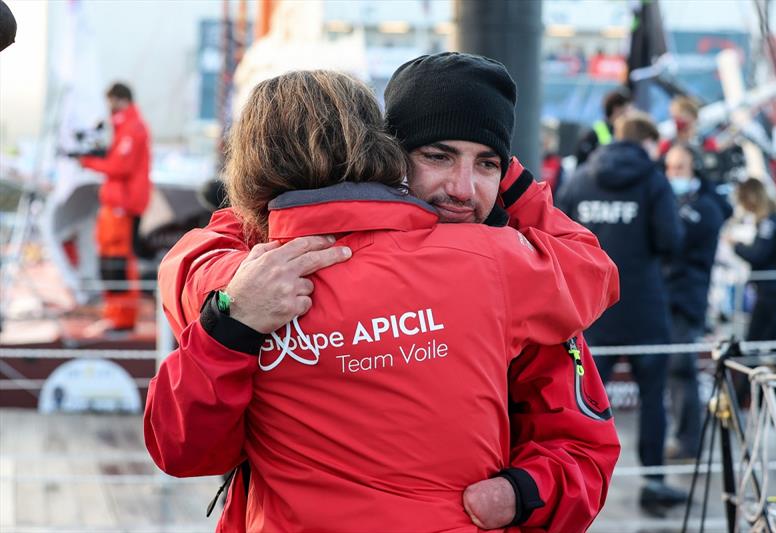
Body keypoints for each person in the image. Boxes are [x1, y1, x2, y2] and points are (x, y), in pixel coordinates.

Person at [149, 57, 620, 532]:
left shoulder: (234, 281)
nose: (462, 188)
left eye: (488, 164)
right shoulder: (511, 268)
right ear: (388, 155)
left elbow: (583, 449)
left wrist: (522, 493)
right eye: (437, 156)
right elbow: (593, 269)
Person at [557, 111, 687, 516]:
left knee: (579, 403)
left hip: (592, 311)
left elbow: (556, 235)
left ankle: (570, 483)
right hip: (645, 308)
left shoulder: (580, 178)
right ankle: (653, 482)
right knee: (652, 400)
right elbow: (671, 239)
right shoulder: (653, 181)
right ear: (647, 143)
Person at [663, 144, 729, 461]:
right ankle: (682, 436)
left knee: (681, 368)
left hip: (686, 298)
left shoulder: (706, 207)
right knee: (670, 370)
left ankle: (689, 440)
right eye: (670, 168)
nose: (673, 174)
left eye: (680, 168)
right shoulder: (669, 201)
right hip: (663, 296)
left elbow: (677, 241)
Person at [78, 83, 151, 334]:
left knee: (119, 260)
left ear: (119, 100)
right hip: (116, 205)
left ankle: (123, 318)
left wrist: (87, 161)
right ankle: (115, 315)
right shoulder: (125, 127)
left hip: (123, 206)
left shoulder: (133, 127)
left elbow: (121, 166)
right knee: (110, 260)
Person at [732, 178, 776, 342]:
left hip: (771, 289)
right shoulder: (775, 221)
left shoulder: (769, 223)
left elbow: (758, 255)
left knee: (754, 339)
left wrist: (736, 246)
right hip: (774, 288)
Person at [574, 87, 632, 166]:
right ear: (616, 109)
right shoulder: (593, 135)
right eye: (626, 110)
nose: (629, 115)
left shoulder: (626, 134)